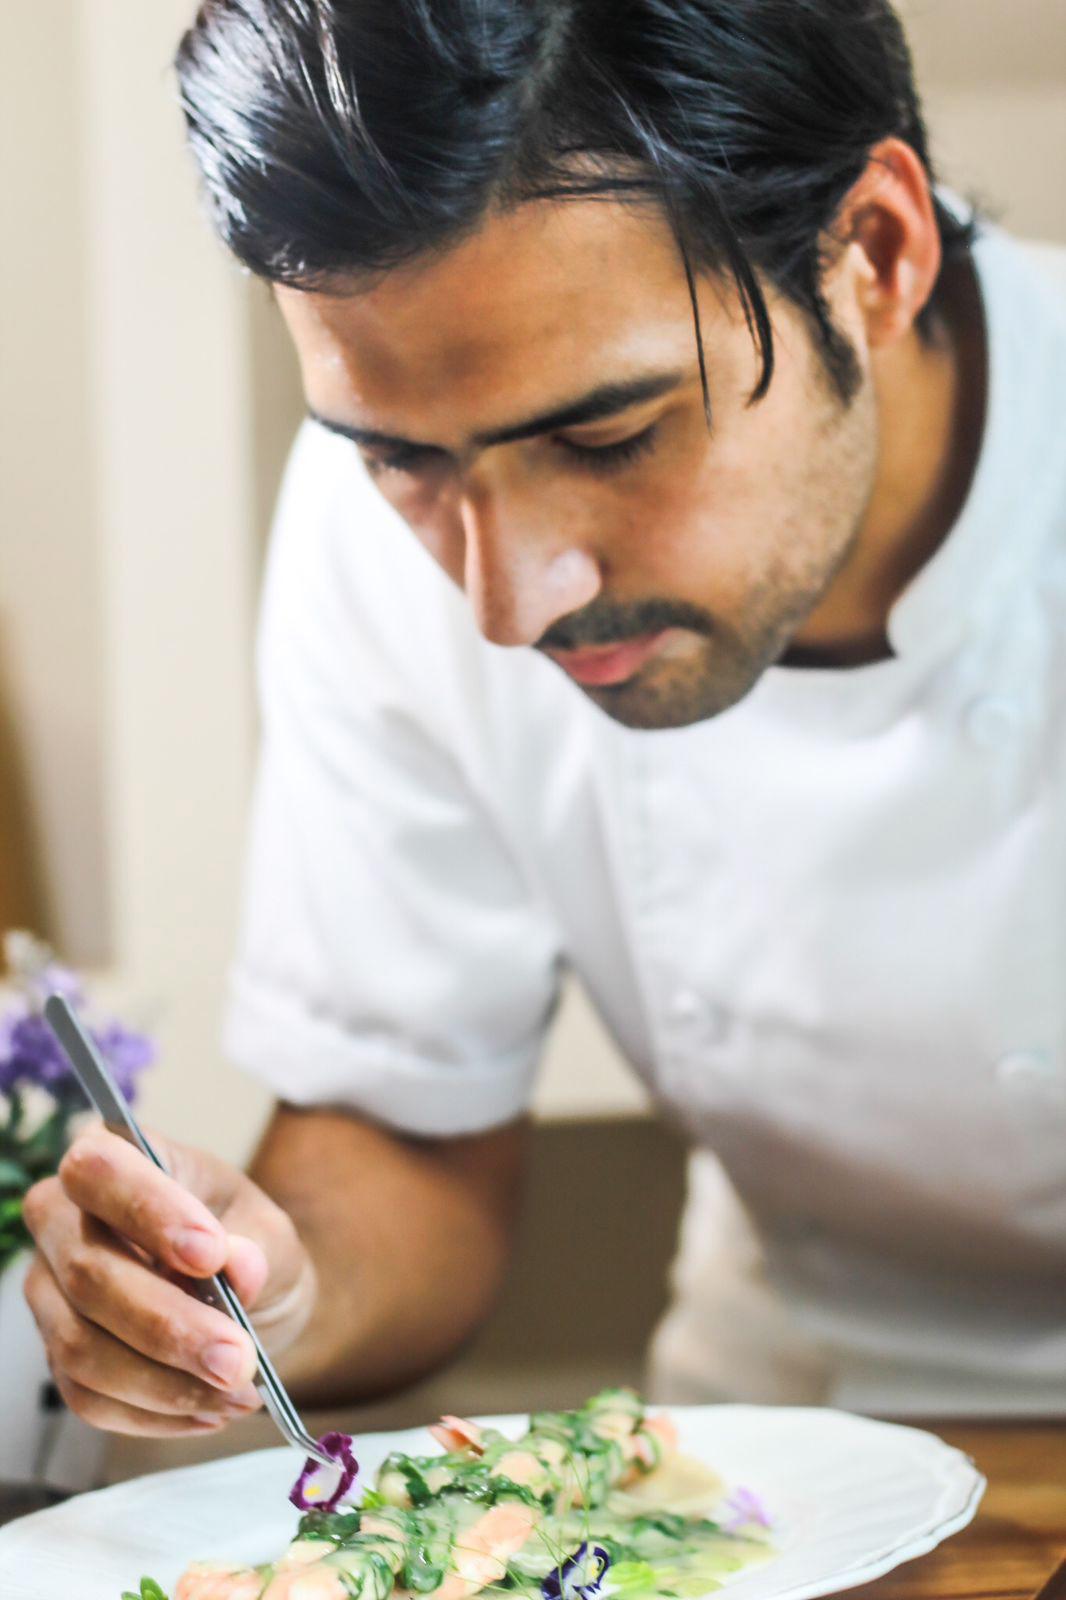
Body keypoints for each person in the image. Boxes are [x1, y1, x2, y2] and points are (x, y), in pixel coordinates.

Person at [22, 0, 1066, 1438]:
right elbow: (406, 1132)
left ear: (874, 255)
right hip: (789, 1446)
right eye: (401, 460)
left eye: (607, 436)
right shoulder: (377, 530)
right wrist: (267, 1294)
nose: (506, 603)